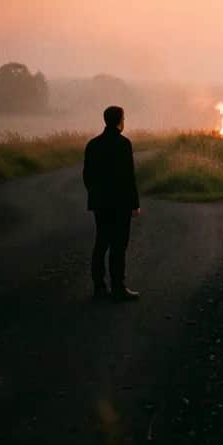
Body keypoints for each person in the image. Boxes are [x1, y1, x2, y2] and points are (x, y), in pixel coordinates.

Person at [83, 105, 141, 301]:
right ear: (120, 121)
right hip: (120, 204)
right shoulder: (124, 144)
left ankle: (99, 288)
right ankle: (118, 288)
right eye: (124, 118)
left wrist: (95, 195)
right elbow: (128, 177)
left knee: (101, 243)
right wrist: (134, 203)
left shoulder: (92, 144)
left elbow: (87, 176)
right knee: (118, 246)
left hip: (100, 203)